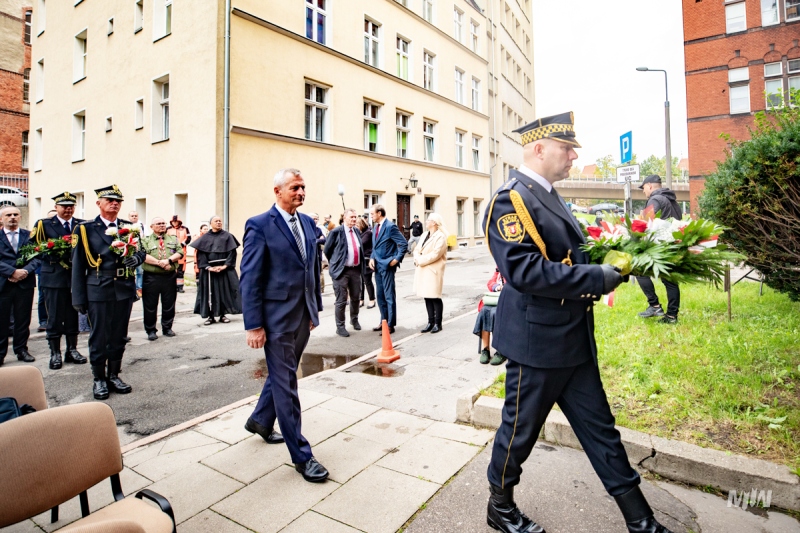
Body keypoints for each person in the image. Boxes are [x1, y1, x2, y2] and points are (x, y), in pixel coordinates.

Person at [483, 112, 672, 533]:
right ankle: (500, 506)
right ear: (538, 148)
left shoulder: (548, 195)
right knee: (519, 432)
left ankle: (642, 522)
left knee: (602, 431)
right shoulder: (511, 200)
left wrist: (619, 255)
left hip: (572, 337)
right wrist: (596, 278)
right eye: (566, 148)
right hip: (537, 342)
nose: (573, 156)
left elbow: (570, 255)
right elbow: (525, 272)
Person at [240, 167, 328, 483]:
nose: (301, 193)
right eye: (295, 188)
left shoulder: (307, 223)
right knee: (287, 383)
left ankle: (261, 420)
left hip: (302, 316)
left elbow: (311, 268)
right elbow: (250, 278)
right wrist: (254, 325)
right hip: (275, 320)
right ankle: (302, 457)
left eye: (303, 187)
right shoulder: (259, 225)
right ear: (277, 191)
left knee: (282, 375)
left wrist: (314, 309)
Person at [72, 185, 145, 400]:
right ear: (99, 203)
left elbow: (141, 251)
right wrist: (78, 297)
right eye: (110, 201)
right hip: (98, 288)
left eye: (118, 201)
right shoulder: (85, 229)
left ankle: (114, 375)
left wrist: (136, 258)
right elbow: (78, 265)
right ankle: (99, 378)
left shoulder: (128, 227)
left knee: (118, 335)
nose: (114, 204)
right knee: (99, 335)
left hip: (123, 288)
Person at [31, 194, 86, 369]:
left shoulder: (81, 224)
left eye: (71, 206)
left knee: (73, 314)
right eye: (64, 206)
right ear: (56, 207)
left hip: (75, 277)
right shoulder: (44, 224)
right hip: (54, 276)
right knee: (54, 316)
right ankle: (55, 353)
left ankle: (72, 350)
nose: (68, 209)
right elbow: (33, 248)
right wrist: (54, 253)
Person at [636, 174, 683, 324]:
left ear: (649, 186)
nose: (643, 191)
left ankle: (655, 306)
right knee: (670, 281)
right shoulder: (671, 200)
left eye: (644, 188)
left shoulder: (655, 199)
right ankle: (671, 315)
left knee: (639, 271)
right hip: (672, 245)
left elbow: (645, 221)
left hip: (661, 247)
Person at [0, 207, 39, 367]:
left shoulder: (29, 235)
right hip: (3, 284)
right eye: (8, 215)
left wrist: (25, 271)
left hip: (25, 283)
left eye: (15, 214)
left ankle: (21, 349)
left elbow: (38, 256)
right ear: (1, 219)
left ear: (20, 217)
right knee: (1, 320)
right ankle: (0, 353)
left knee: (23, 319)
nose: (12, 217)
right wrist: (12, 272)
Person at [190, 215, 241, 325]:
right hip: (209, 271)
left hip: (224, 269)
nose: (218, 222)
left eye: (220, 221)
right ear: (211, 224)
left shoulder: (228, 236)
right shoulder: (205, 238)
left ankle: (223, 315)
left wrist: (225, 266)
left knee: (224, 292)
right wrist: (208, 267)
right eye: (216, 221)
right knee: (210, 293)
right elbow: (201, 254)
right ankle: (211, 316)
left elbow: (232, 253)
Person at [141, 217, 184, 341]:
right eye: (158, 223)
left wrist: (168, 260)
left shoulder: (173, 239)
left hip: (169, 276)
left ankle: (167, 328)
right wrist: (160, 263)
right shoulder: (145, 240)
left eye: (163, 223)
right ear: (151, 226)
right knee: (150, 305)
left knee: (169, 303)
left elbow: (180, 252)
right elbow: (143, 255)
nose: (162, 225)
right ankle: (151, 330)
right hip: (151, 277)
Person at [323, 208, 364, 337]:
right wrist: (335, 263)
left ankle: (354, 319)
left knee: (356, 297)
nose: (354, 219)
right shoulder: (336, 232)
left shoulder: (356, 231)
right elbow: (327, 250)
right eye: (351, 217)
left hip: (355, 270)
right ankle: (340, 326)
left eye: (355, 217)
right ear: (344, 217)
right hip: (341, 271)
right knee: (341, 300)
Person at [369, 204, 407, 334]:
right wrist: (372, 258)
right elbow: (375, 246)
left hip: (387, 265)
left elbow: (403, 244)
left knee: (389, 296)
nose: (371, 216)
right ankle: (383, 321)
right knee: (380, 296)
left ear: (379, 213)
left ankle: (390, 324)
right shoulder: (375, 227)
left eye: (372, 214)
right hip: (377, 266)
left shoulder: (390, 227)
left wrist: (396, 260)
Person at [413, 213, 447, 334]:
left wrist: (420, 260)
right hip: (423, 269)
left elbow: (436, 254)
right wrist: (416, 258)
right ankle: (430, 322)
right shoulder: (424, 235)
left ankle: (438, 323)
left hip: (433, 270)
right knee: (426, 296)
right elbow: (417, 249)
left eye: (428, 220)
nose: (426, 222)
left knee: (435, 296)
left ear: (434, 223)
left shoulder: (440, 237)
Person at [474, 268, 506, 366]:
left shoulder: (511, 269)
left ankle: (501, 350)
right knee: (484, 311)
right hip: (496, 300)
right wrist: (498, 287)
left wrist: (505, 287)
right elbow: (490, 283)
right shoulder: (498, 271)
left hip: (507, 302)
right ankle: (485, 349)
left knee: (495, 313)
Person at [167, 216, 191, 293]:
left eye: (176, 221)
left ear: (179, 222)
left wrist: (181, 245)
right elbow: (165, 239)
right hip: (171, 253)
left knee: (180, 271)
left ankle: (180, 287)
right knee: (171, 270)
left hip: (182, 252)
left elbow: (188, 238)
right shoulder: (168, 229)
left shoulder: (185, 229)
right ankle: (172, 286)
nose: (174, 223)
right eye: (173, 221)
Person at [356, 217, 376, 309]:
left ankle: (372, 299)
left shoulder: (368, 233)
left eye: (357, 225)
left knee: (367, 281)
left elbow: (360, 244)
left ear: (362, 225)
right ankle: (361, 299)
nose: (356, 226)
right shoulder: (359, 233)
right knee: (360, 281)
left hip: (366, 259)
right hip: (360, 260)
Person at [129, 211, 146, 298]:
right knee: (130, 272)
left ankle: (139, 289)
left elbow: (145, 237)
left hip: (139, 252)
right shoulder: (126, 226)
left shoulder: (142, 226)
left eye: (135, 216)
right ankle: (131, 289)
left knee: (140, 272)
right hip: (129, 252)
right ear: (129, 217)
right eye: (132, 216)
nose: (134, 217)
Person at [309, 213, 327, 292]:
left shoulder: (318, 229)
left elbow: (324, 240)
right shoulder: (306, 229)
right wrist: (318, 240)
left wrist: (317, 240)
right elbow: (309, 241)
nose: (315, 220)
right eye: (314, 219)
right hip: (309, 255)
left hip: (318, 254)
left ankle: (320, 289)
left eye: (317, 219)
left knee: (319, 272)